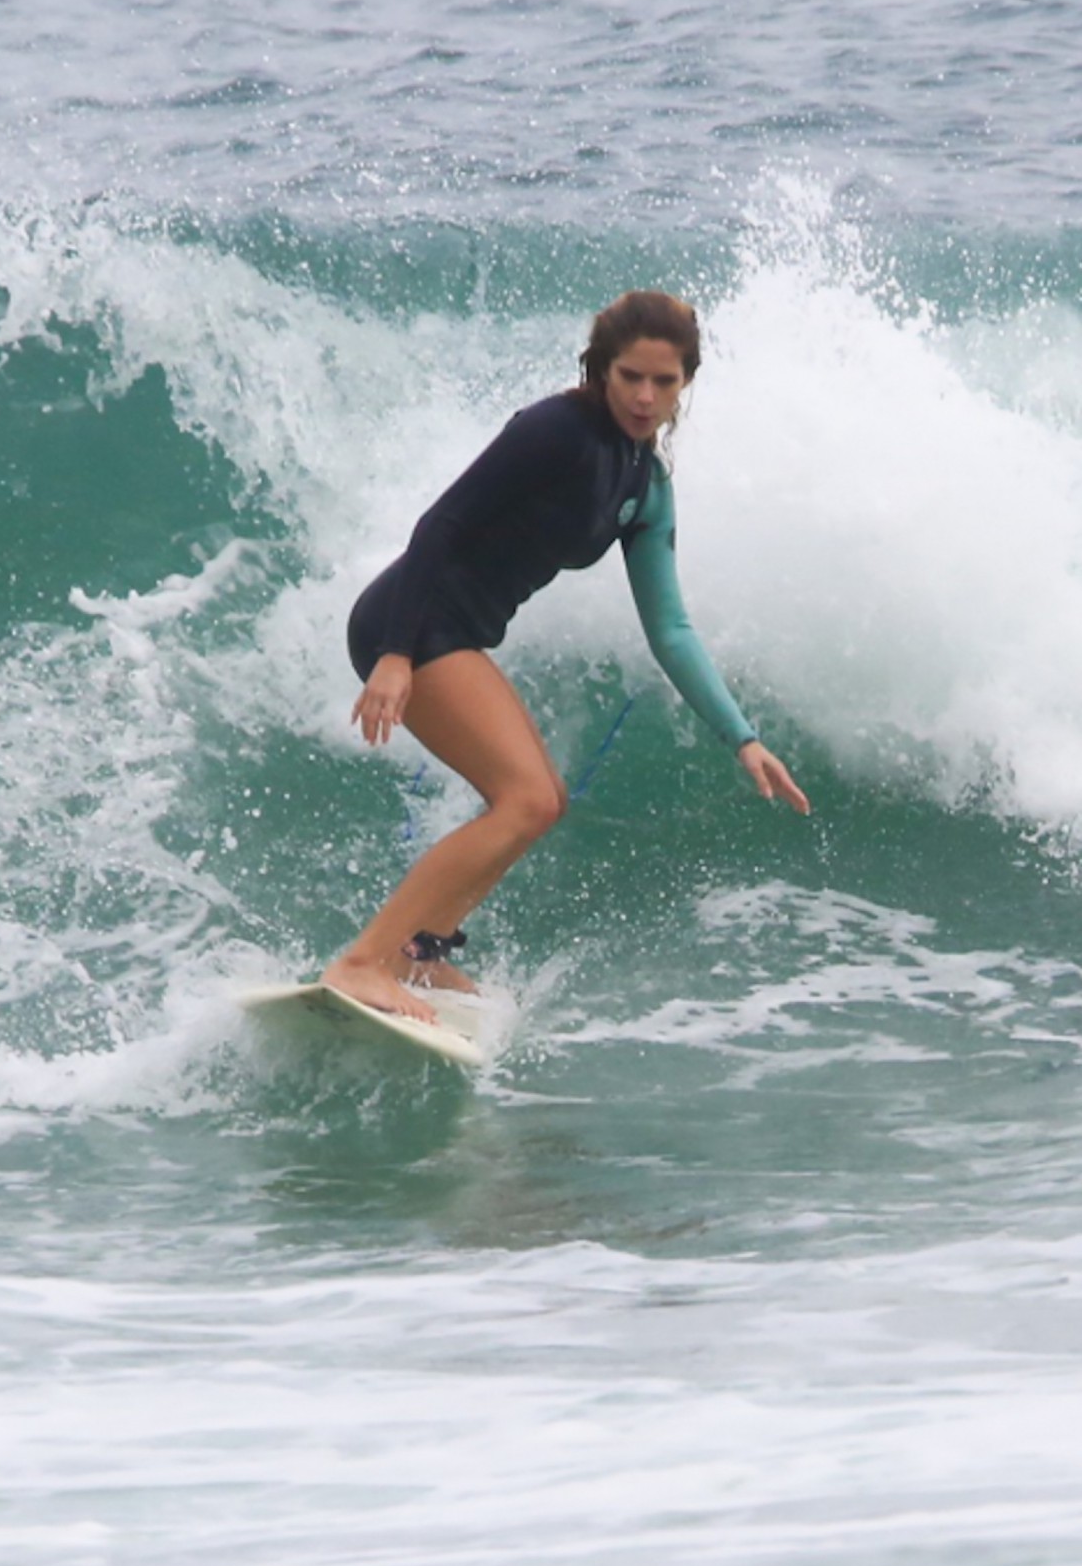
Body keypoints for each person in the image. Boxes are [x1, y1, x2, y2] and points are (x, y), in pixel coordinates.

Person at [322, 290, 808, 1023]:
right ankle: (363, 964)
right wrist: (395, 655)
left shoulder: (644, 486)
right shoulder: (554, 430)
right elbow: (439, 525)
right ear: (601, 370)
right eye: (630, 377)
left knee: (540, 803)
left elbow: (670, 628)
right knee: (527, 798)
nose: (644, 397)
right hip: (412, 623)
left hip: (455, 634)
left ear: (686, 383)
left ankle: (418, 954)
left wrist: (742, 737)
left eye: (664, 381)